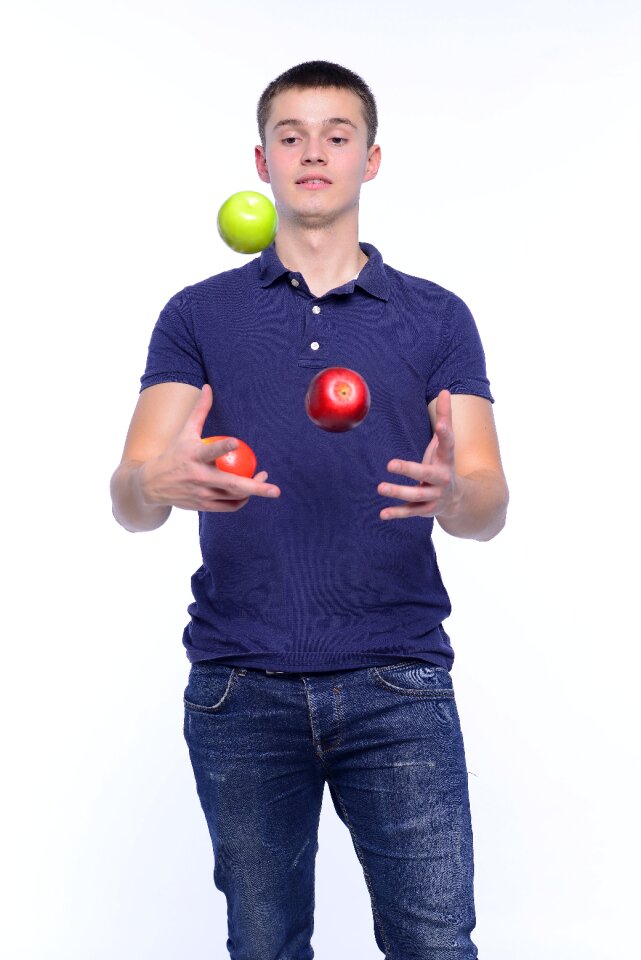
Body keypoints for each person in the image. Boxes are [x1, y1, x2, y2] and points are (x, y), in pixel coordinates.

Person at [110, 60, 509, 960]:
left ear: (371, 161)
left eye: (337, 134)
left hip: (397, 682)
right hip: (238, 685)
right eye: (291, 135)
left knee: (437, 946)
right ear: (262, 160)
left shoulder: (435, 317)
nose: (313, 152)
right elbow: (131, 493)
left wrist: (455, 494)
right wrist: (156, 484)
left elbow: (486, 503)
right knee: (264, 947)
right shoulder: (199, 315)